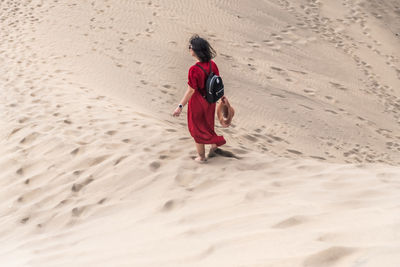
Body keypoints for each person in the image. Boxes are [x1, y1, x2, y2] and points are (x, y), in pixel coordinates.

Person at [173, 34, 226, 162]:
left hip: (197, 103)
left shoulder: (194, 70)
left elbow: (191, 90)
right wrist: (222, 97)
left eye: (190, 47)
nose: (189, 49)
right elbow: (217, 82)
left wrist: (180, 107)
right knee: (208, 125)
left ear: (195, 50)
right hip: (210, 102)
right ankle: (213, 146)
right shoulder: (213, 65)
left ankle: (201, 157)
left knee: (197, 130)